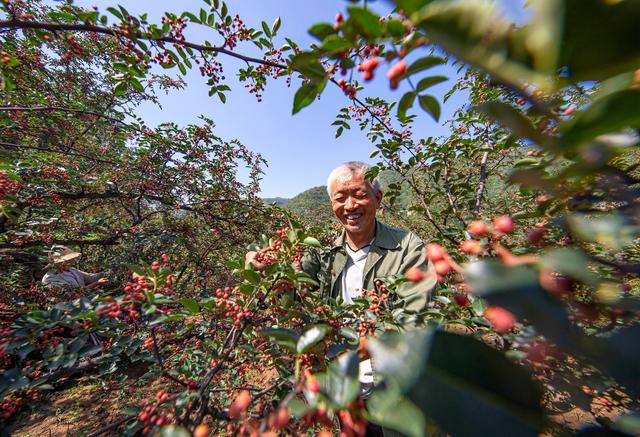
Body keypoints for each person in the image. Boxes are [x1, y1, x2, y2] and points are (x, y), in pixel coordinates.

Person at [42, 245, 108, 289]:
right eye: (69, 260)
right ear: (59, 263)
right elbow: (75, 294)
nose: (72, 263)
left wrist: (107, 272)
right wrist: (97, 283)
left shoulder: (72, 270)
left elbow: (91, 278)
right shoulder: (50, 278)